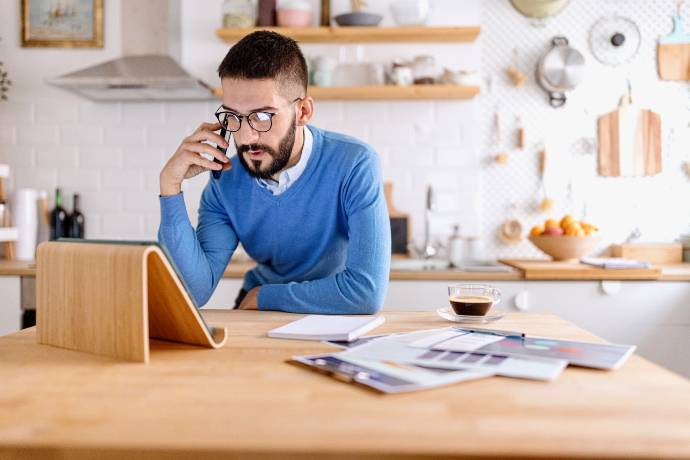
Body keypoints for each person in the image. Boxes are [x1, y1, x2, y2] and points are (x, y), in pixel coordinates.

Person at [158, 31, 390, 314]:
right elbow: (193, 291)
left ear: (303, 112)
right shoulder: (225, 181)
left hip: (331, 308)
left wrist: (264, 296)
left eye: (262, 116)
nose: (245, 137)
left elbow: (366, 293)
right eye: (233, 117)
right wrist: (170, 186)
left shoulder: (354, 164)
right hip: (257, 308)